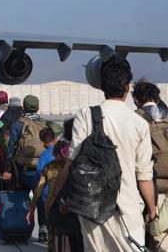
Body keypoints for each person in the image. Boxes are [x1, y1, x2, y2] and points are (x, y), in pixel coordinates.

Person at [56, 55, 156, 251]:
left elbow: (71, 163)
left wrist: (61, 196)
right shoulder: (140, 124)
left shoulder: (86, 115)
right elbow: (144, 177)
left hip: (91, 208)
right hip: (127, 211)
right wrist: (151, 208)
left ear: (102, 86)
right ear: (127, 87)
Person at [132, 80, 168, 251]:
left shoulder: (134, 119)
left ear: (136, 100)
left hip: (150, 190)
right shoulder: (166, 116)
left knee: (152, 237)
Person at [27, 140, 70, 252]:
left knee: (52, 233)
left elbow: (39, 188)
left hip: (51, 203)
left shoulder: (48, 167)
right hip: (68, 204)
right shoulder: (70, 167)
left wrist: (32, 206)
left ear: (55, 153)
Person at [2, 95, 46, 189]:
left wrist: (8, 169)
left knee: (20, 196)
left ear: (24, 107)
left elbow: (11, 149)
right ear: (38, 107)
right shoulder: (45, 124)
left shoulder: (17, 124)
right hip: (43, 168)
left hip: (22, 168)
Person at [33, 127, 58, 242]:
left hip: (46, 193)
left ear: (44, 142)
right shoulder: (61, 152)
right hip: (59, 192)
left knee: (40, 203)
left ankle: (43, 229)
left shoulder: (44, 155)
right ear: (54, 139)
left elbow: (39, 174)